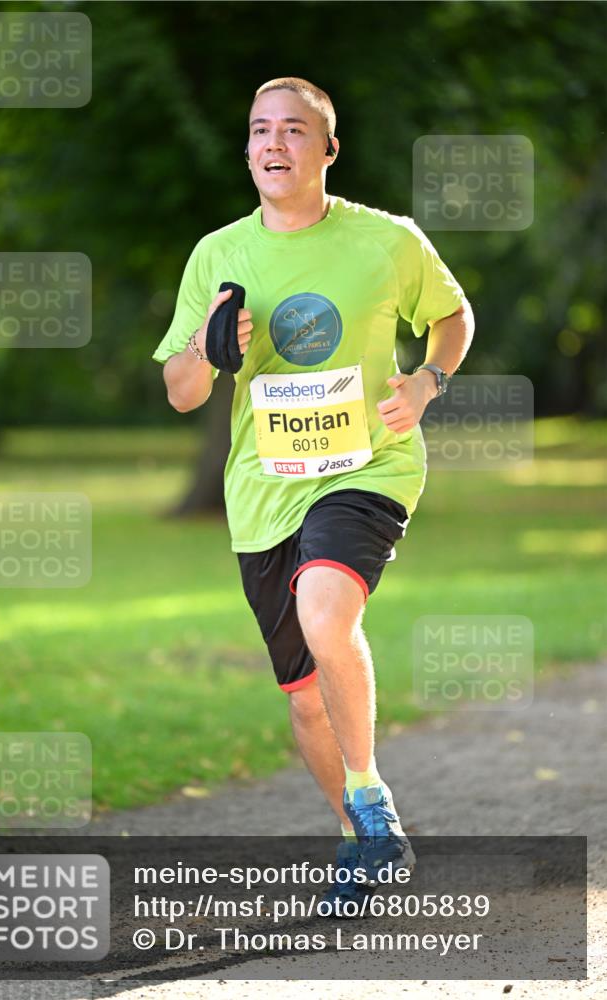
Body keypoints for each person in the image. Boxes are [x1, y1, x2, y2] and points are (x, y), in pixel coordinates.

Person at [153, 77, 474, 910]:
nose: (274, 142)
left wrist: (427, 381)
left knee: (326, 613)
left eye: (293, 130)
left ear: (327, 150)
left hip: (368, 467)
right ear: (247, 149)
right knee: (303, 702)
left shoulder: (386, 240)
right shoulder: (217, 254)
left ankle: (370, 795)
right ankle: (360, 845)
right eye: (260, 129)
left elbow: (452, 316)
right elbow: (181, 392)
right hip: (264, 490)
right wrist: (207, 346)